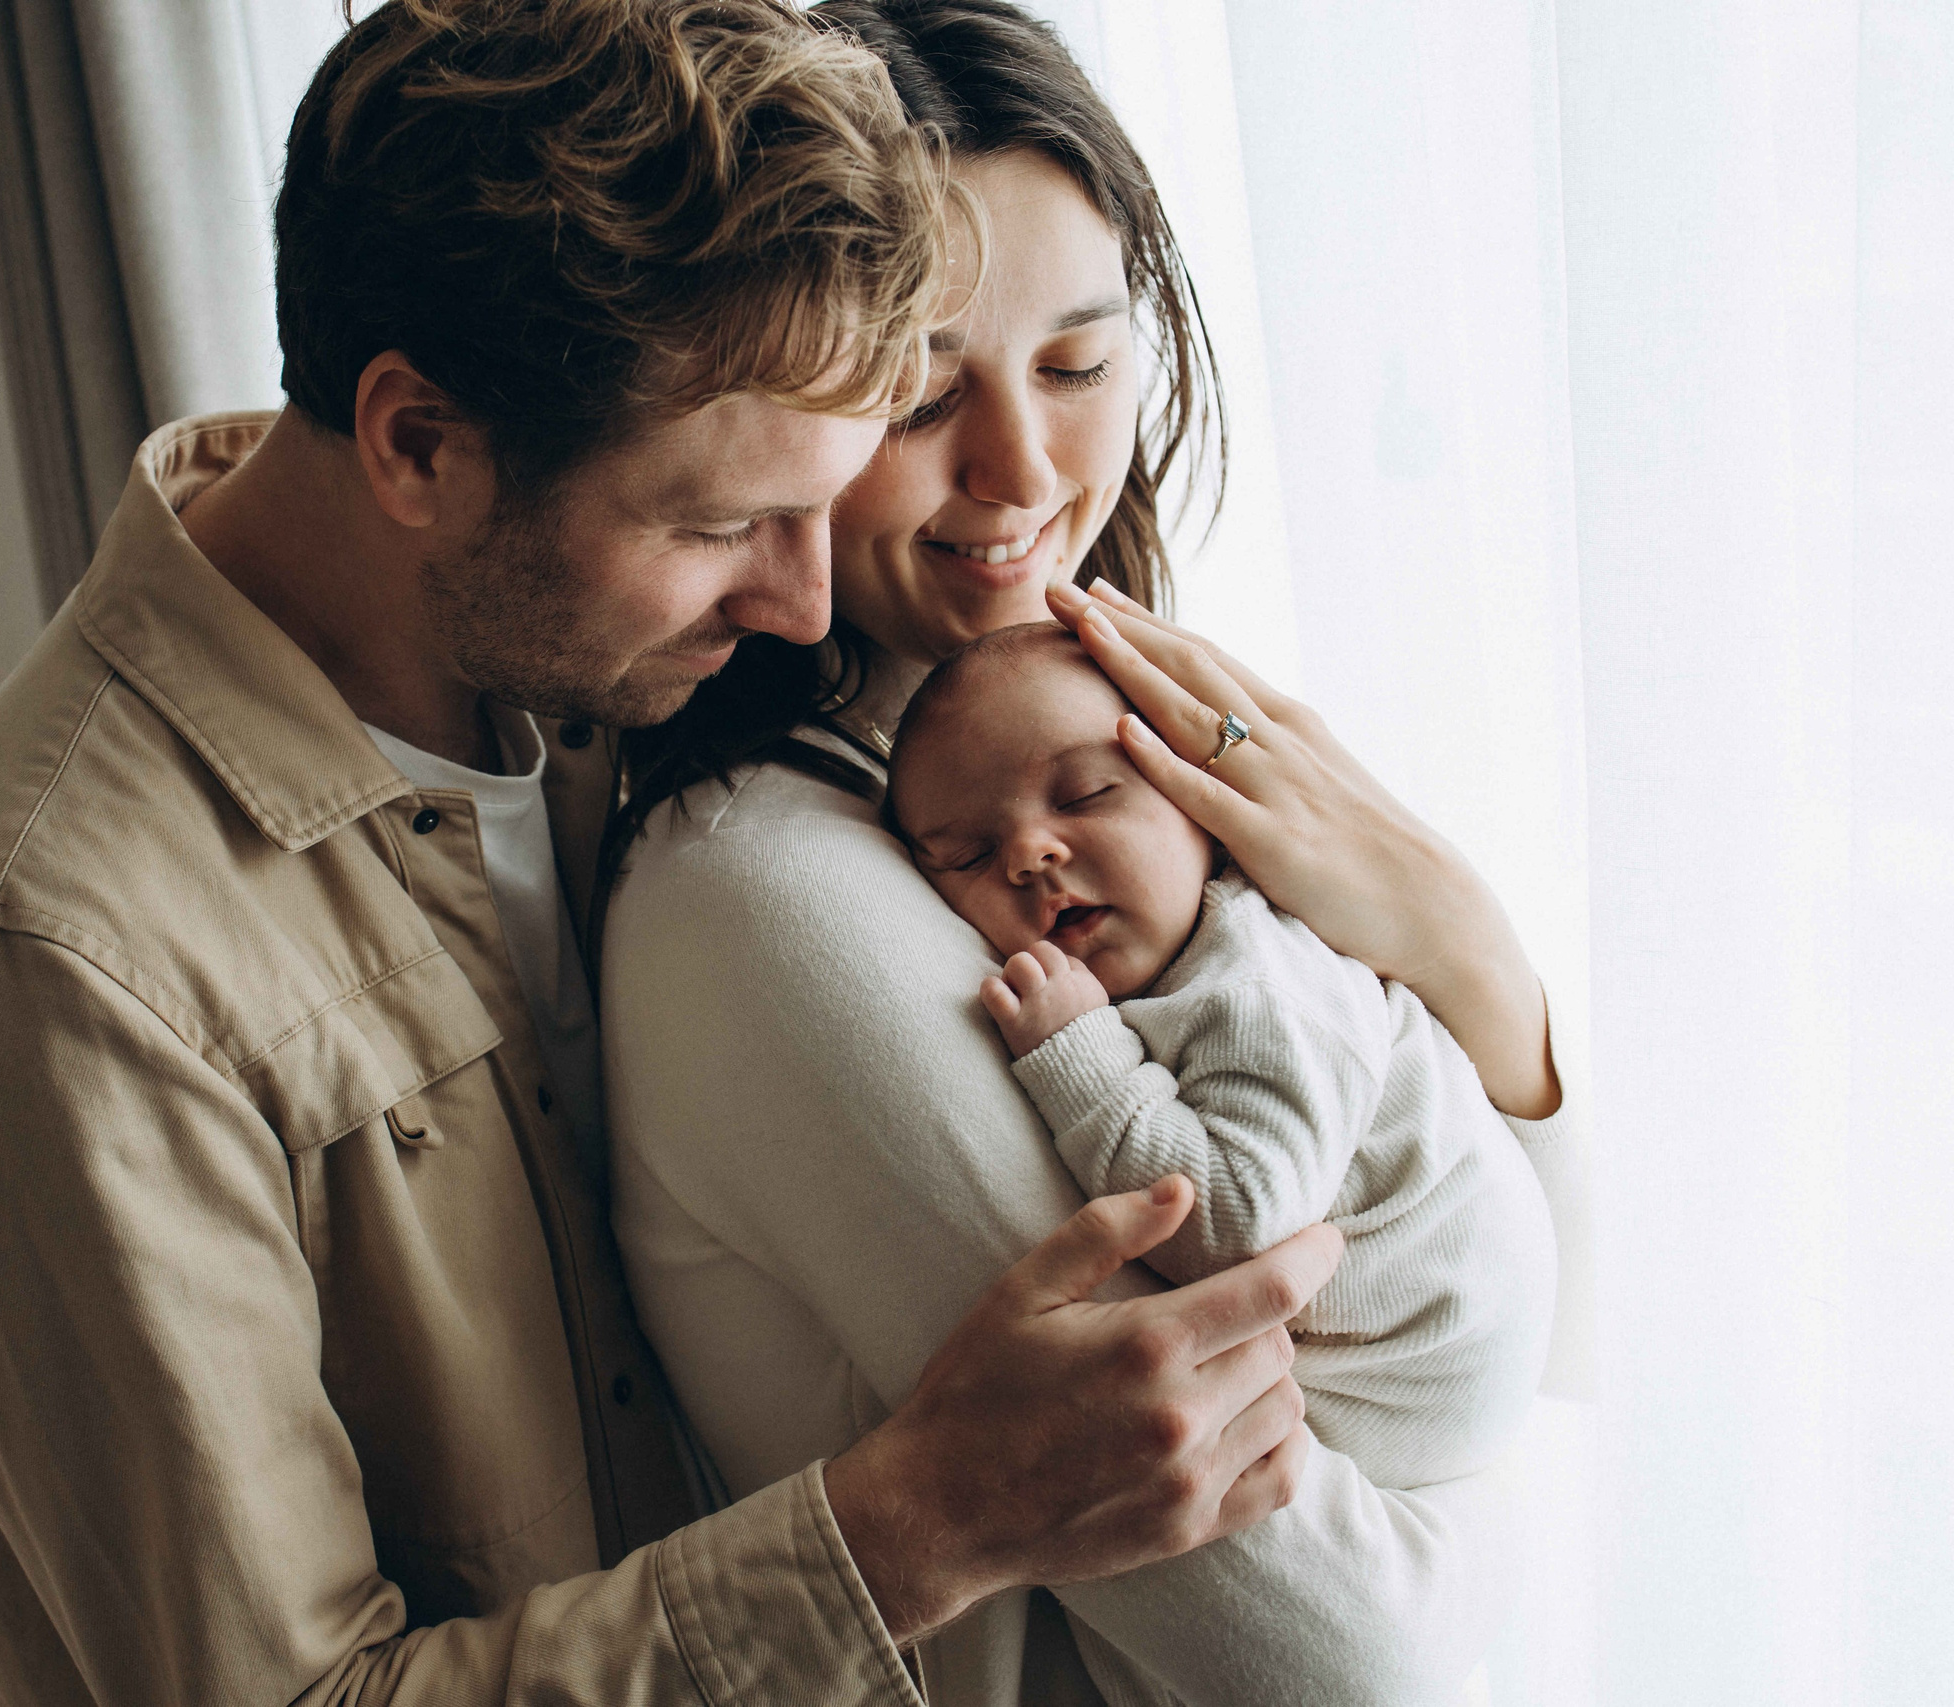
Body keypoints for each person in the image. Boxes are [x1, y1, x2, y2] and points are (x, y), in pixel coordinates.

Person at [0, 3, 1342, 1703]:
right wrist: (924, 1521)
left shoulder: (610, 678)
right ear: (418, 445)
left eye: (819, 499)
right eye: (721, 524)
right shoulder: (39, 961)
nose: (804, 601)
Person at [601, 2, 1586, 1701]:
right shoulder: (769, 891)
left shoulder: (1139, 756)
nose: (1024, 469)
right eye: (921, 394)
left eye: (1076, 365)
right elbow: (1344, 1658)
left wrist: (1465, 948)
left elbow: (1551, 1341)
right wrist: (1521, 1507)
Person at [886, 622, 1556, 1493]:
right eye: (970, 855)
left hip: (1415, 1375)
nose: (1027, 854)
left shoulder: (1262, 976)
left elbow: (1242, 1221)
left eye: (1085, 794)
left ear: (1201, 796)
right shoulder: (1176, 967)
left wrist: (1082, 1060)